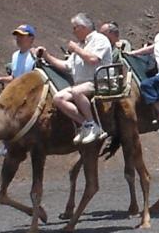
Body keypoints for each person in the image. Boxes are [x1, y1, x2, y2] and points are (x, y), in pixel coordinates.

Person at [36, 13, 111, 144]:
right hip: (82, 84)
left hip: (99, 81)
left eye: (74, 28)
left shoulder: (100, 39)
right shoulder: (80, 45)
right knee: (58, 98)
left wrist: (76, 49)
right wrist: (47, 56)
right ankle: (85, 124)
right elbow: (66, 66)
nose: (73, 32)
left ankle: (93, 124)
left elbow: (93, 59)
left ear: (83, 27)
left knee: (77, 91)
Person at [0, 24, 38, 156]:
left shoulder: (35, 56)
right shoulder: (15, 55)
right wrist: (0, 79)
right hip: (15, 92)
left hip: (29, 94)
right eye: (17, 36)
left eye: (22, 36)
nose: (19, 39)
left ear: (31, 38)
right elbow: (14, 77)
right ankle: (5, 143)